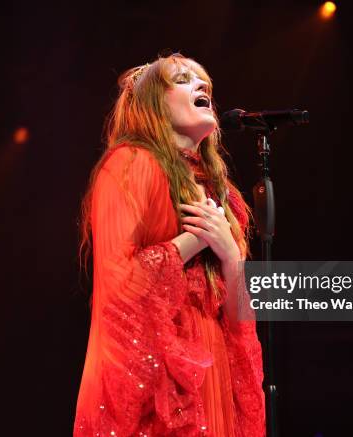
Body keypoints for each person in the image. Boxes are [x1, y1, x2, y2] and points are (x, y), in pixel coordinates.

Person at [74, 53, 265, 437]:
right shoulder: (130, 164)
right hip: (159, 376)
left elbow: (237, 313)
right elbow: (119, 283)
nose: (201, 85)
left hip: (215, 374)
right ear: (152, 104)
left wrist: (230, 256)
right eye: (182, 79)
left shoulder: (222, 192)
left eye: (203, 81)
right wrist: (193, 240)